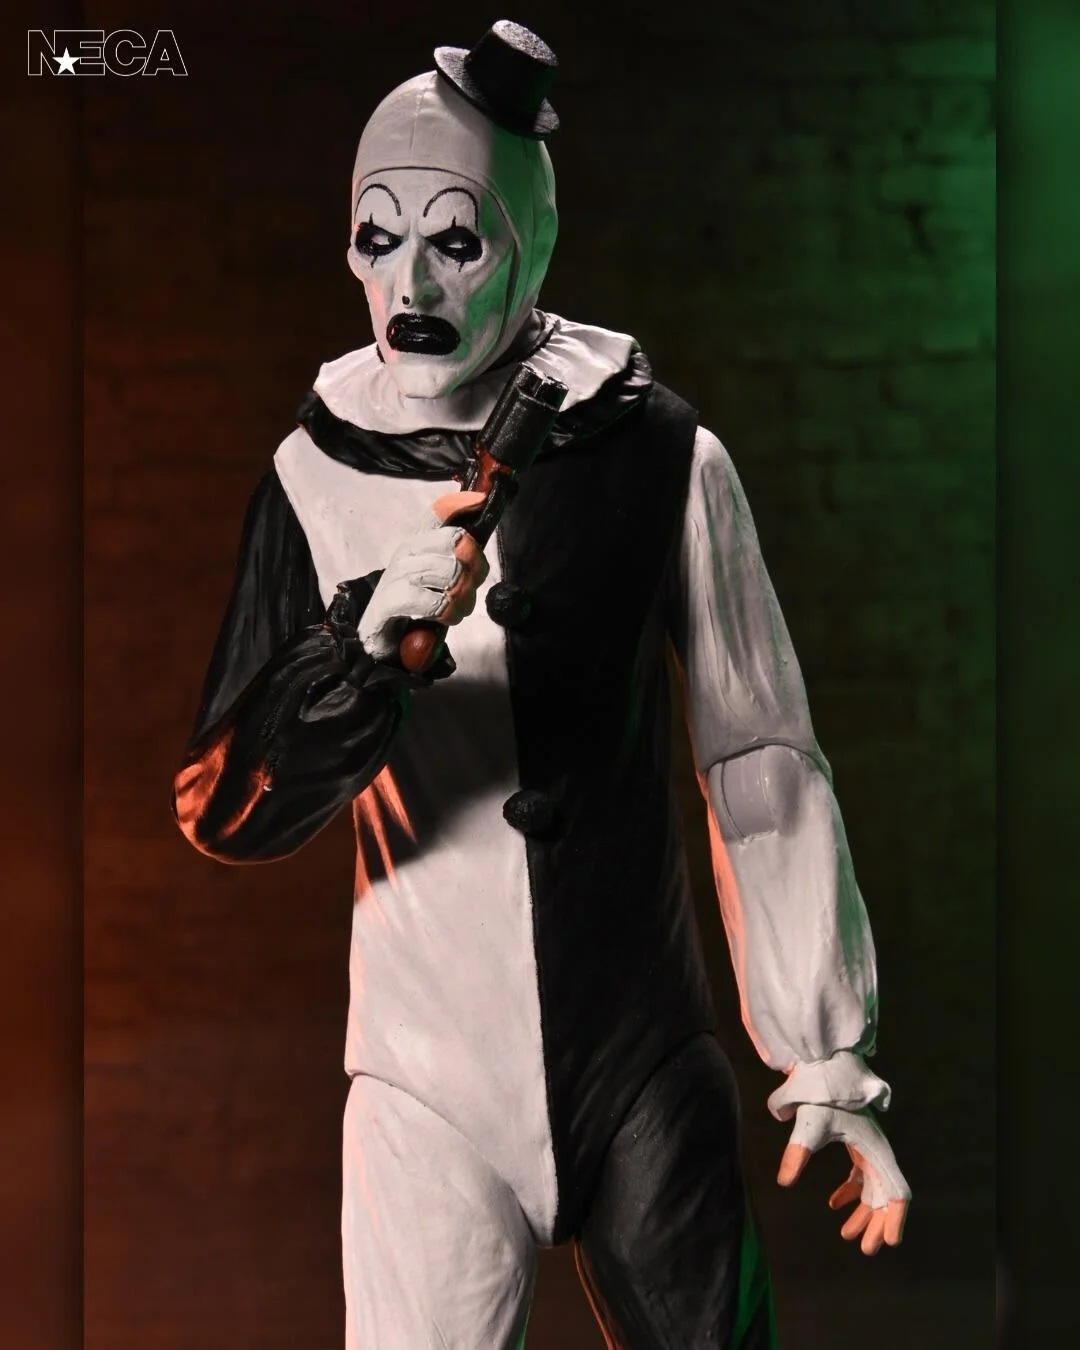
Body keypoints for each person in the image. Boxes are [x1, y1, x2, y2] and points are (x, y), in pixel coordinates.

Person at [173, 20, 909, 1349]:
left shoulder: (661, 451)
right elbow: (228, 804)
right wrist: (351, 647)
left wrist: (825, 1045)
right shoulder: (312, 473)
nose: (410, 281)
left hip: (641, 1057)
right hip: (424, 1079)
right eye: (378, 236)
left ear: (529, 240)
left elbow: (758, 753)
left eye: (456, 241)